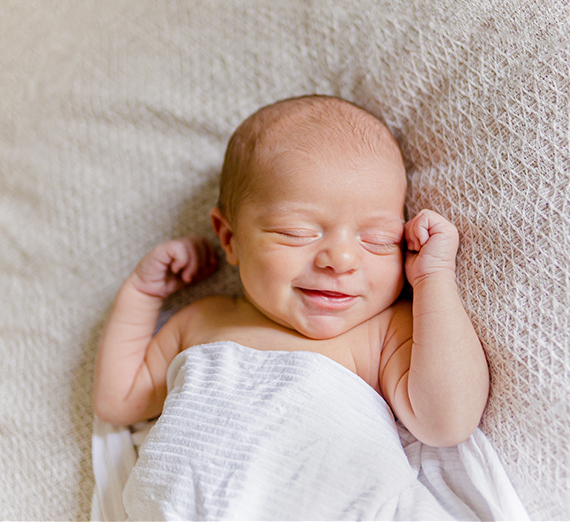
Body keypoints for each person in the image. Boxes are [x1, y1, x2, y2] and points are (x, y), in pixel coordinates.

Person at [94, 94, 489, 451]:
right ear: (229, 239)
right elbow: (119, 400)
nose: (341, 260)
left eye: (378, 239)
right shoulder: (204, 320)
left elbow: (447, 422)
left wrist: (434, 280)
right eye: (296, 233)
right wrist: (143, 294)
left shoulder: (383, 334)